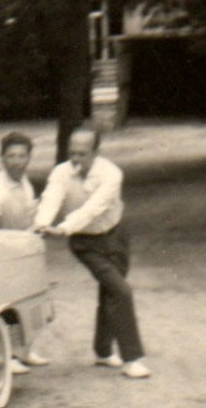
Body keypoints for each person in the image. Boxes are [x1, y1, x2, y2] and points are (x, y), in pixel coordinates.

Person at [34, 127, 150, 379]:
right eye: (72, 152)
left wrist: (63, 228)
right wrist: (43, 224)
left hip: (115, 234)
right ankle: (133, 359)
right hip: (84, 242)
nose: (75, 159)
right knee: (121, 291)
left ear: (96, 153)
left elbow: (94, 208)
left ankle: (103, 352)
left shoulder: (111, 174)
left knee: (111, 292)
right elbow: (51, 198)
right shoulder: (61, 172)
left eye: (82, 154)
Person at [0, 131, 49, 374]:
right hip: (3, 254)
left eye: (22, 156)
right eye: (11, 156)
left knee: (29, 301)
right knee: (6, 306)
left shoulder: (25, 183)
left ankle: (25, 351)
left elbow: (31, 211)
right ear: (2, 158)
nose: (17, 161)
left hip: (24, 250)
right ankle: (7, 357)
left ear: (29, 158)